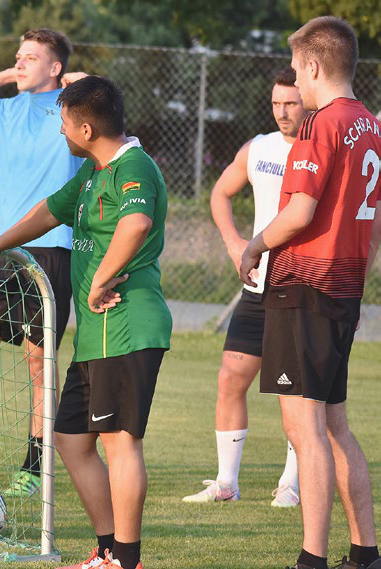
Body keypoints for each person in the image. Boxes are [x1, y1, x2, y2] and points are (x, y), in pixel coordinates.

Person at [0, 76, 171, 569]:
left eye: (64, 124)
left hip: (127, 324)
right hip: (96, 334)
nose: (60, 133)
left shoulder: (135, 167)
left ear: (86, 128)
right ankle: (107, 549)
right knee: (69, 440)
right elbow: (49, 211)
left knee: (120, 441)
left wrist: (97, 280)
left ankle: (125, 560)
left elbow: (136, 224)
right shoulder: (91, 173)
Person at [239, 16, 381, 569]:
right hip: (343, 288)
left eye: (297, 70)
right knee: (333, 423)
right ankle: (365, 552)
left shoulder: (320, 123)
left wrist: (254, 246)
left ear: (315, 66)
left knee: (304, 426)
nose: (294, 82)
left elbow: (298, 212)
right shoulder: (369, 123)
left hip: (304, 287)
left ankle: (311, 559)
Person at [0, 29, 85, 497]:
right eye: (17, 56)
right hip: (3, 250)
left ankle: (33, 467)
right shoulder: (5, 109)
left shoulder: (71, 109)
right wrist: (12, 73)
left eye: (32, 58)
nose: (20, 62)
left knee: (38, 363)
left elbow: (107, 101)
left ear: (56, 68)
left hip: (53, 250)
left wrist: (76, 80)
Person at [183, 68, 307, 507]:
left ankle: (292, 485)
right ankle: (227, 484)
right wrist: (236, 244)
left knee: (294, 390)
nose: (282, 112)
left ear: (308, 99)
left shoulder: (322, 149)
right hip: (258, 287)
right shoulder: (259, 147)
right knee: (230, 378)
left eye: (291, 103)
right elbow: (221, 194)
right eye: (276, 103)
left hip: (301, 287)